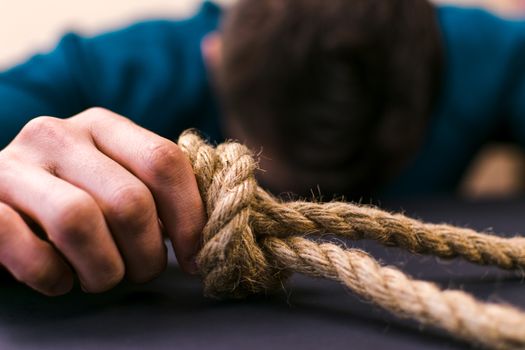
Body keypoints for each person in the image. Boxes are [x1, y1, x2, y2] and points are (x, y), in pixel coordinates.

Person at [0, 0, 523, 297]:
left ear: (441, 77)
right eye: (285, 184)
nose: (310, 209)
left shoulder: (488, 55)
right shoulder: (122, 69)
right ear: (215, 58)